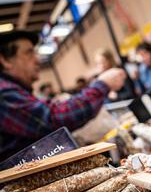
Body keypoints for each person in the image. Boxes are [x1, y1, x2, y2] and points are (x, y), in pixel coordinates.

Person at [0, 30, 126, 158]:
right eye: (29, 53)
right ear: (5, 60)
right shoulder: (3, 94)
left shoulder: (14, 91)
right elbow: (53, 119)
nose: (37, 60)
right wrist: (102, 85)